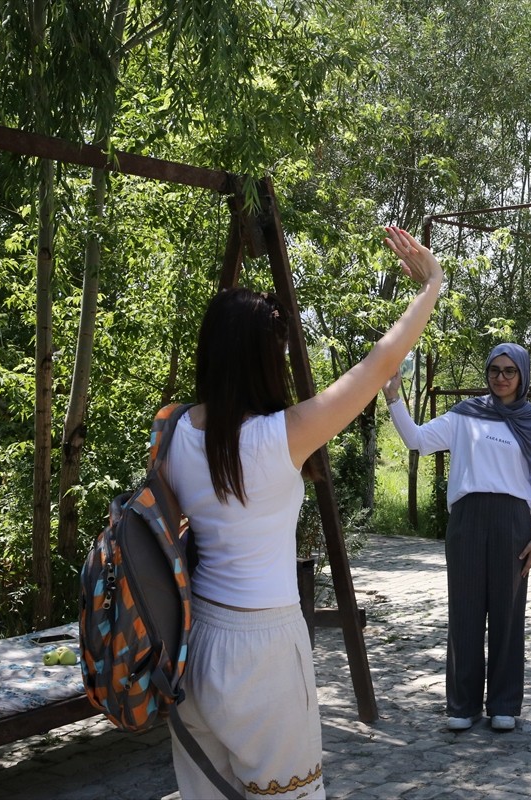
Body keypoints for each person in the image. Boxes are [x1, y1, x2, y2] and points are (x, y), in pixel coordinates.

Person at [164, 227, 442, 799]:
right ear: (267, 359)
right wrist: (431, 284)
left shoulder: (169, 430)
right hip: (263, 646)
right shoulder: (278, 438)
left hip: (192, 641)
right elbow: (379, 363)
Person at [381, 342, 531, 732]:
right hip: (467, 519)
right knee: (465, 611)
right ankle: (462, 704)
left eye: (510, 371)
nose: (501, 378)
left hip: (513, 521)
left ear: (523, 375)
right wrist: (393, 398)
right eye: (495, 370)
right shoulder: (465, 415)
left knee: (508, 614)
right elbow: (417, 441)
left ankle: (504, 703)